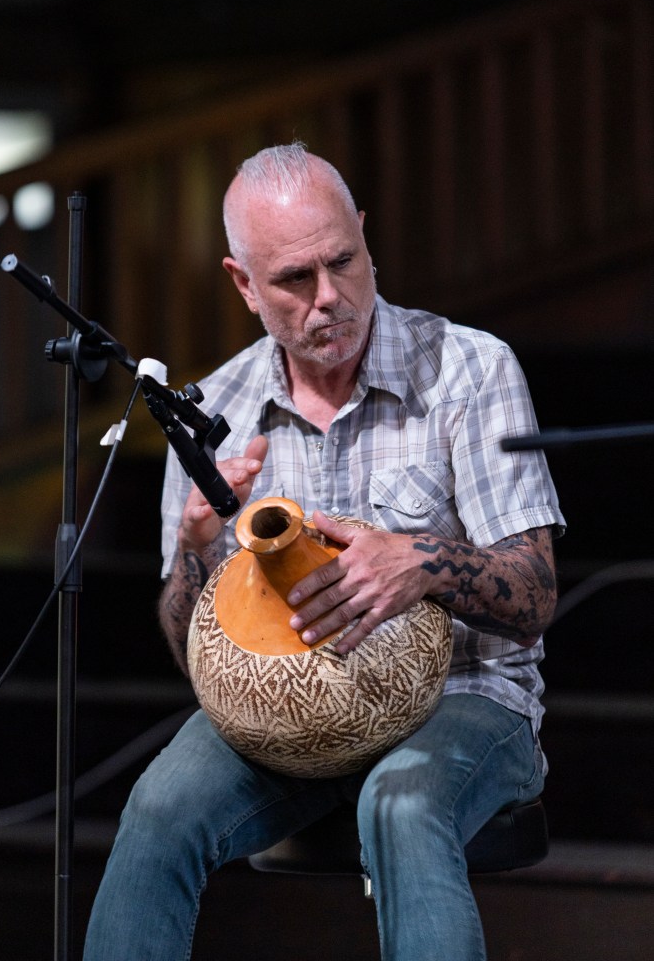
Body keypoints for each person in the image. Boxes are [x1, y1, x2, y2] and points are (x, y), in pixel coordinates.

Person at [84, 142, 565, 961]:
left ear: (364, 237)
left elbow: (533, 598)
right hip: (282, 729)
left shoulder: (471, 369)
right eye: (293, 279)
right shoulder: (213, 411)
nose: (329, 297)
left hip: (464, 697)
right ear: (243, 284)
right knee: (158, 809)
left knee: (400, 805)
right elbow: (189, 647)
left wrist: (420, 561)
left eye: (342, 261)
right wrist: (194, 550)